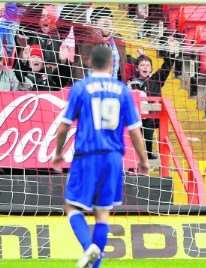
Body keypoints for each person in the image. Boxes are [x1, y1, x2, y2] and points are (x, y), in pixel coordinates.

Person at [52, 45, 150, 268]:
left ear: (89, 63)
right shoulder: (123, 90)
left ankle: (89, 248)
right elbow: (135, 130)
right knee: (102, 214)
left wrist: (58, 154)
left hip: (87, 155)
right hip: (114, 159)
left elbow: (64, 126)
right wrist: (144, 161)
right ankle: (95, 265)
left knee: (71, 206)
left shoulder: (81, 87)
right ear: (111, 64)